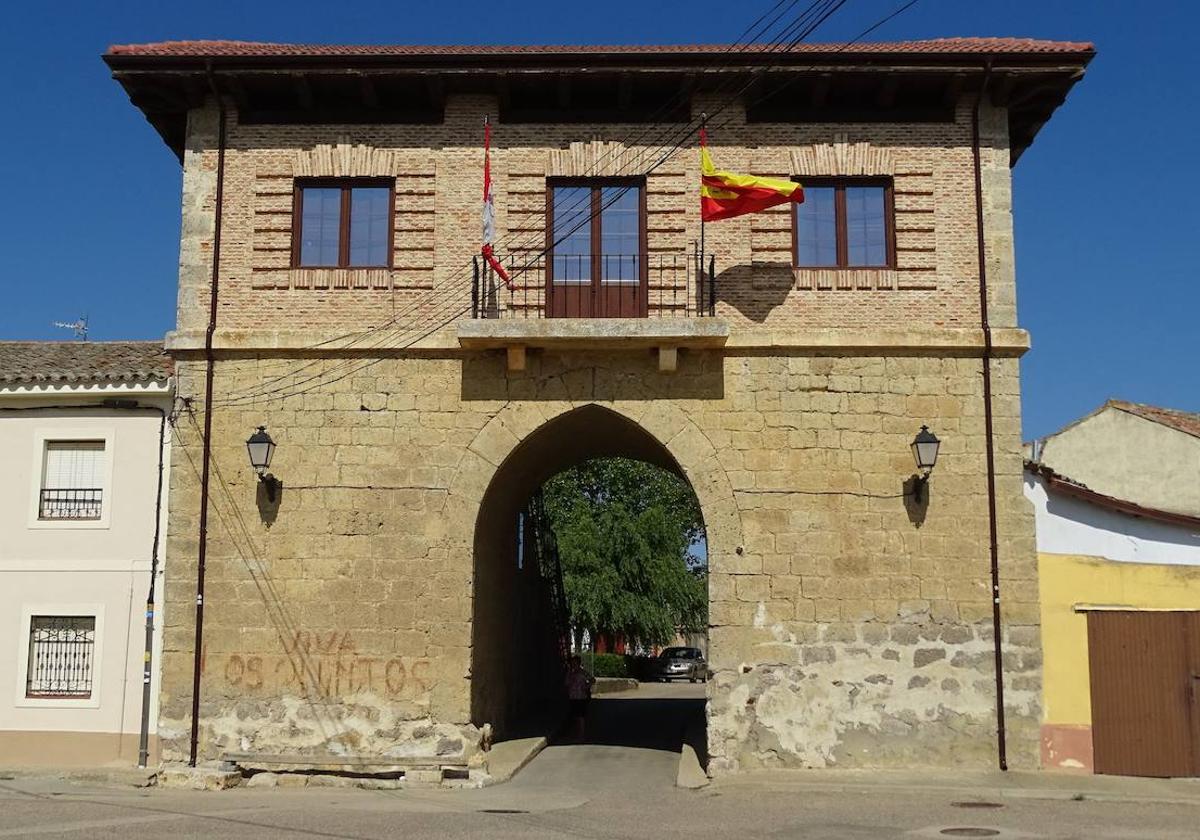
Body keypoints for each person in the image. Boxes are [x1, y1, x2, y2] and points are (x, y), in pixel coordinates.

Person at [564, 655, 595, 741]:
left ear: (578, 663)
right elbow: (566, 684)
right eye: (572, 663)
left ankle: (581, 735)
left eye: (575, 663)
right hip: (572, 696)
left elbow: (593, 680)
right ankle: (575, 733)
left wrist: (586, 687)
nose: (573, 665)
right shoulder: (570, 673)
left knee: (580, 717)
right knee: (574, 716)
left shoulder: (583, 672)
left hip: (581, 697)